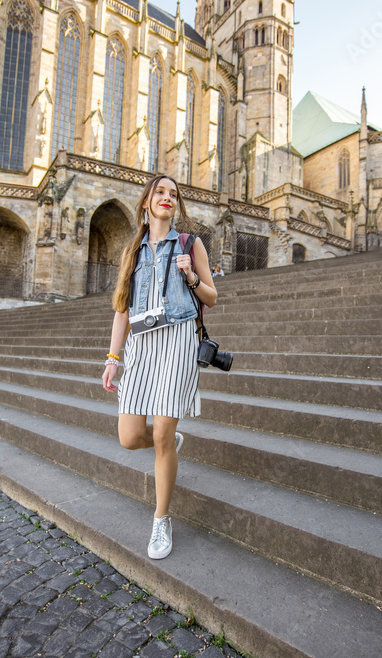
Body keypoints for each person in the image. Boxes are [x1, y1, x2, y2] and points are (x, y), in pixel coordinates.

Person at [101, 174, 217, 559]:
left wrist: (191, 275)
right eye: (160, 192)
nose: (167, 197)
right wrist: (113, 359)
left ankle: (161, 519)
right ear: (147, 201)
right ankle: (168, 443)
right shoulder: (132, 251)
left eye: (173, 194)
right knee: (130, 436)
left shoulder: (190, 243)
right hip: (140, 344)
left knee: (163, 436)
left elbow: (212, 297)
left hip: (179, 341)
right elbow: (121, 309)